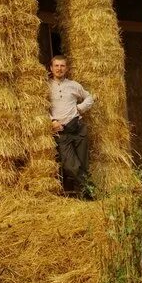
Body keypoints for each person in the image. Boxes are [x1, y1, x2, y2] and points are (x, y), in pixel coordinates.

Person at [49, 55, 94, 196]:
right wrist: (51, 121)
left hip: (78, 128)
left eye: (62, 66)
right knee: (70, 165)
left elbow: (90, 97)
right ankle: (91, 189)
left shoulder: (74, 85)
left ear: (66, 68)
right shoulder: (45, 86)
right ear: (51, 68)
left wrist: (80, 108)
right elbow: (40, 107)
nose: (59, 68)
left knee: (83, 164)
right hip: (62, 131)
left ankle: (84, 196)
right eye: (56, 65)